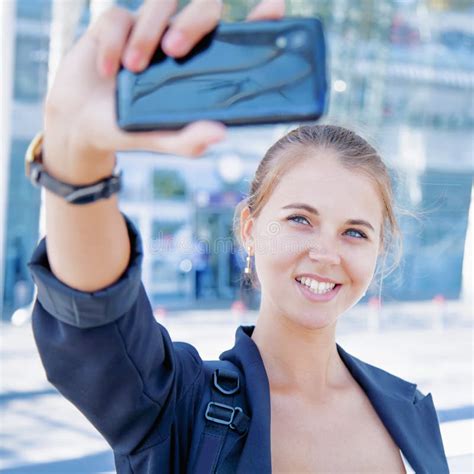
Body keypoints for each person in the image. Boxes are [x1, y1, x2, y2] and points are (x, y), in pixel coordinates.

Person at [27, 0, 448, 472]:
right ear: (249, 229)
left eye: (354, 231)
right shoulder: (176, 408)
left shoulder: (410, 412)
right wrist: (73, 150)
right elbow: (96, 322)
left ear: (379, 250)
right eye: (300, 220)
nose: (326, 252)